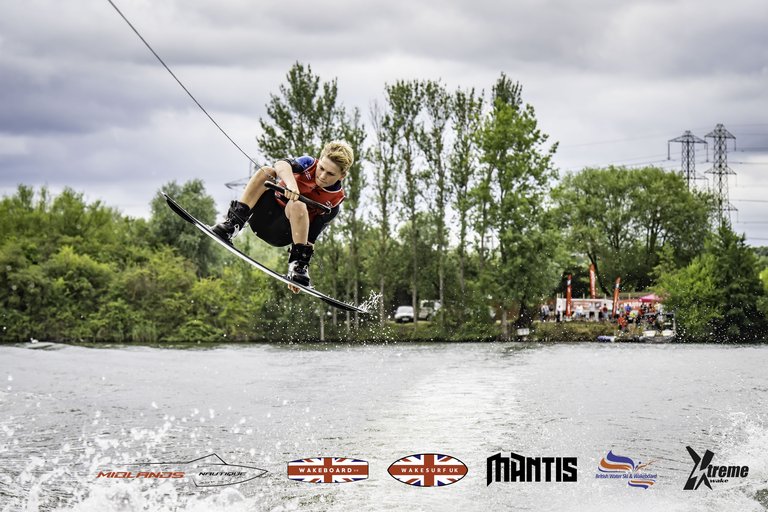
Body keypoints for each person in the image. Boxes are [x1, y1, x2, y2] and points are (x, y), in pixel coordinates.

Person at [211, 140, 353, 292]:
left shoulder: (334, 203)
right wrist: (292, 185)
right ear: (319, 161)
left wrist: (300, 274)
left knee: (298, 205)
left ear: (342, 175)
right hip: (261, 217)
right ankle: (232, 225)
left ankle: (297, 266)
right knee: (267, 171)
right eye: (322, 168)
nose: (323, 176)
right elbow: (280, 164)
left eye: (330, 174)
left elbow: (311, 239)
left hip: (282, 233)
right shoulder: (308, 163)